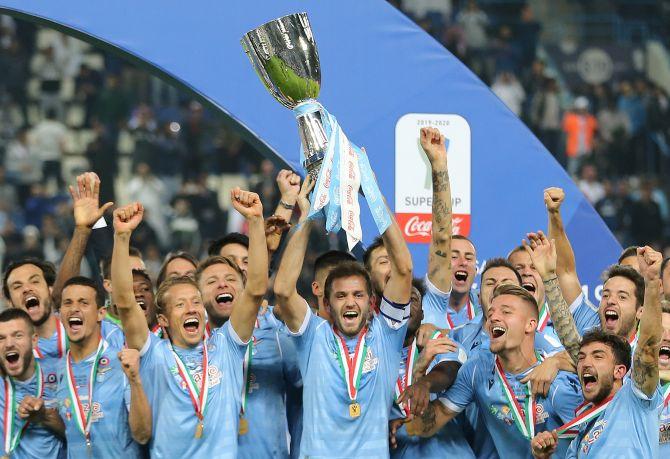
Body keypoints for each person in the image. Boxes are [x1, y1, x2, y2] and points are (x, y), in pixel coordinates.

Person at [111, 187, 268, 458]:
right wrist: (122, 237)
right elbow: (125, 301)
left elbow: (254, 289)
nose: (191, 309)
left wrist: (255, 222)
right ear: (163, 320)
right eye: (180, 305)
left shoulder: (227, 347)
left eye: (196, 302)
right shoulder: (153, 354)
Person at [274, 167, 413, 456]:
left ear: (370, 300)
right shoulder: (313, 335)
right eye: (341, 296)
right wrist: (308, 217)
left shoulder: (386, 334)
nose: (350, 302)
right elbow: (284, 290)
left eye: (358, 295)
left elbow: (403, 268)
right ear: (327, 303)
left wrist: (372, 194)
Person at [404, 284, 583, 458]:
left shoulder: (558, 382)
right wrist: (419, 377)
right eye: (490, 313)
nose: (493, 318)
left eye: (506, 312)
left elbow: (592, 441)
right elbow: (423, 425)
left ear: (530, 325)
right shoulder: (478, 369)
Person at [530, 246, 663, 458]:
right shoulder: (583, 427)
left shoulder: (636, 396)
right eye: (606, 294)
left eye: (622, 296)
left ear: (620, 370)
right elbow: (571, 341)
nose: (585, 363)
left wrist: (652, 282)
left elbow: (648, 349)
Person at [196, 253, 301, 458]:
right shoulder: (191, 348)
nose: (222, 285)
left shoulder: (277, 337)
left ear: (244, 290)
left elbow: (308, 390)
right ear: (197, 295)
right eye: (211, 281)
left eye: (231, 279)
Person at [56, 276, 151, 457]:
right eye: (67, 303)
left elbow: (143, 434)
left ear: (101, 313)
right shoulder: (58, 369)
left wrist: (135, 380)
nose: (74, 308)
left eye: (83, 303)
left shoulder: (122, 363)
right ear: (60, 312)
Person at [389, 279, 473, 458]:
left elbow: (449, 370)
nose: (405, 305)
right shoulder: (372, 353)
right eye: (399, 299)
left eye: (412, 300)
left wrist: (425, 382)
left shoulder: (436, 341)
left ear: (422, 313)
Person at [0, 308, 65, 458]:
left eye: (18, 335)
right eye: (0, 338)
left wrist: (44, 416)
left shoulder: (60, 373)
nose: (9, 344)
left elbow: (79, 435)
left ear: (34, 340)